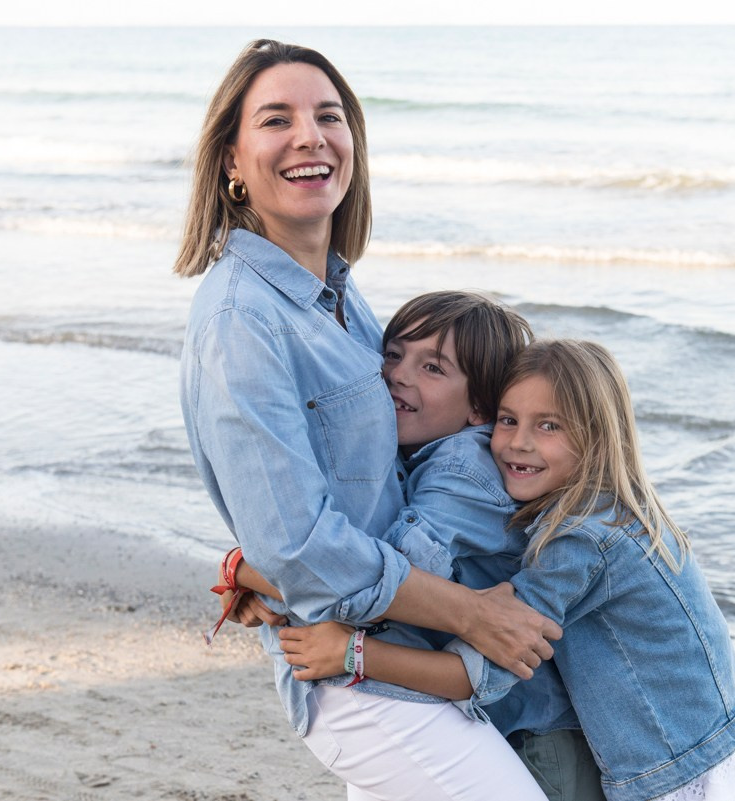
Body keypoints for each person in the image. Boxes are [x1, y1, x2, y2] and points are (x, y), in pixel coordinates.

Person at [174, 39, 559, 800]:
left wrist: (247, 567)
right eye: (276, 119)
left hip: (400, 651)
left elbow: (368, 489)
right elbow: (299, 545)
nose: (311, 136)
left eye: (329, 115)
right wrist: (471, 613)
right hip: (356, 676)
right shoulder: (242, 319)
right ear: (231, 160)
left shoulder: (339, 302)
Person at [280, 340, 735, 801]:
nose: (518, 443)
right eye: (509, 420)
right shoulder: (623, 509)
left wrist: (352, 653)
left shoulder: (580, 542)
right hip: (727, 742)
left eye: (549, 426)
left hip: (675, 773)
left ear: (598, 438)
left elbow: (475, 673)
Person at [221, 291, 606, 800]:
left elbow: (381, 578)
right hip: (485, 712)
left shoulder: (465, 468)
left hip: (533, 732)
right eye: (394, 354)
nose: (399, 374)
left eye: (433, 367)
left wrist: (248, 572)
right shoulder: (416, 455)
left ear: (479, 409)